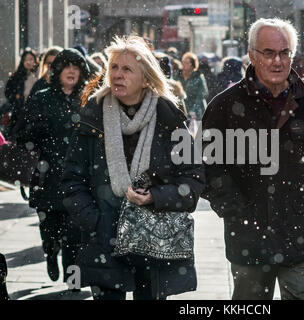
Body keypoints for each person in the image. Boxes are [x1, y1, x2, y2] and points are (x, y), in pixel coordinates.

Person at [202, 18, 304, 300]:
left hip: (302, 234)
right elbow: (208, 167)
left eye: (284, 53)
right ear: (251, 55)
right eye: (268, 53)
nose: (277, 61)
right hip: (249, 240)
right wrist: (234, 208)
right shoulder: (224, 106)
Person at [62, 36, 205, 300]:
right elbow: (72, 179)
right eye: (114, 67)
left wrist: (156, 197)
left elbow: (193, 180)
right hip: (104, 237)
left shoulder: (169, 118)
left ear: (146, 77)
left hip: (153, 240)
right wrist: (95, 220)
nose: (117, 75)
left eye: (127, 69)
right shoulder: (93, 114)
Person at [14, 48, 89, 286]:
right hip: (47, 175)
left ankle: (73, 277)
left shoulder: (88, 99)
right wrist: (37, 134)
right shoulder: (42, 97)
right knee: (49, 227)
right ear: (57, 71)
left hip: (77, 177)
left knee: (75, 233)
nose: (71, 71)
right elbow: (22, 133)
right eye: (67, 67)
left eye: (76, 68)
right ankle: (49, 252)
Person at [4, 48, 39, 139]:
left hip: (33, 113)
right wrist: (16, 97)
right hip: (18, 112)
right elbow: (8, 93)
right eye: (26, 59)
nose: (28, 62)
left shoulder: (38, 77)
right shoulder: (15, 77)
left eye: (31, 59)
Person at [176, 52, 208, 121]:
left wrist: (194, 110)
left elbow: (201, 96)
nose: (184, 65)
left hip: (195, 113)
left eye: (187, 63)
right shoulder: (178, 76)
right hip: (181, 111)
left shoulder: (198, 77)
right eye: (183, 62)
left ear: (193, 65)